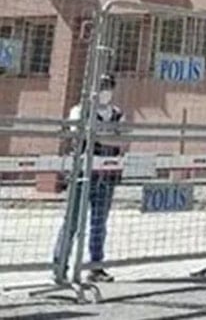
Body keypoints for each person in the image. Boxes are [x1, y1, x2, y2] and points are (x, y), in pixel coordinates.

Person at [53, 73, 124, 284]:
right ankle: (60, 266)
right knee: (72, 222)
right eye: (101, 85)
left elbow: (121, 140)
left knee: (99, 223)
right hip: (82, 174)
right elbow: (81, 134)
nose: (105, 90)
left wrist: (98, 136)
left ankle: (95, 267)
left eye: (108, 85)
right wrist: (106, 137)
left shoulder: (117, 113)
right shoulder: (80, 110)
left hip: (106, 175)